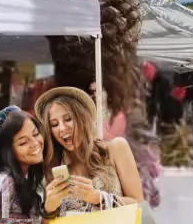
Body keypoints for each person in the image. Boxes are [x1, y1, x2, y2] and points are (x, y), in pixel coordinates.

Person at [35, 86, 145, 215]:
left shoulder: (116, 148)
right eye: (54, 124)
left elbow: (139, 204)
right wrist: (49, 209)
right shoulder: (55, 169)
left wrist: (99, 198)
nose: (62, 128)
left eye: (68, 119)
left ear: (83, 118)